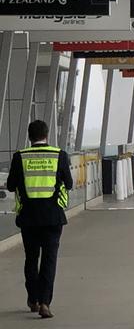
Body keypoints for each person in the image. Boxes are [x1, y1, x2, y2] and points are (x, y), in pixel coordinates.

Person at [6, 120, 73, 319]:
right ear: (46, 134)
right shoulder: (60, 155)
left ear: (29, 136)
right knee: (49, 260)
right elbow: (68, 183)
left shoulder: (20, 157)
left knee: (31, 258)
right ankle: (45, 302)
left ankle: (33, 299)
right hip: (53, 217)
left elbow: (10, 186)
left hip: (28, 217)